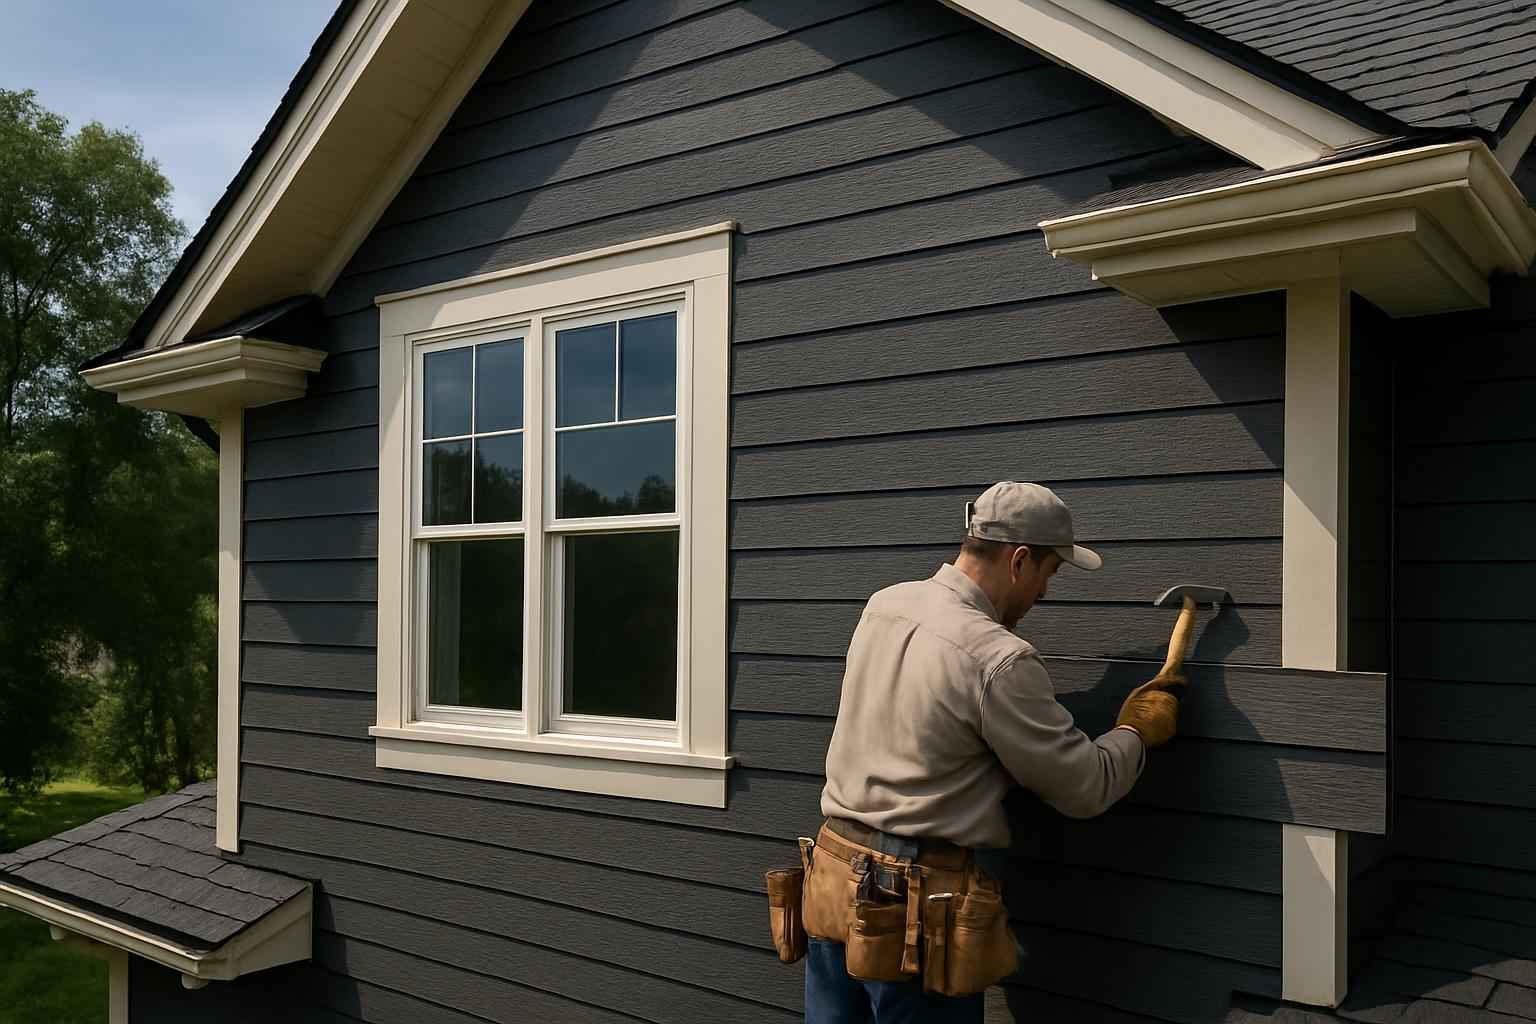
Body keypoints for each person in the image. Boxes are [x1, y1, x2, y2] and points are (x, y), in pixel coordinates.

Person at [799, 481, 1183, 1023]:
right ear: (1020, 561)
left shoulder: (884, 605)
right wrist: (1136, 732)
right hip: (915, 913)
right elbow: (1085, 786)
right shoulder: (998, 657)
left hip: (834, 880)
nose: (1044, 594)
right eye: (1049, 575)